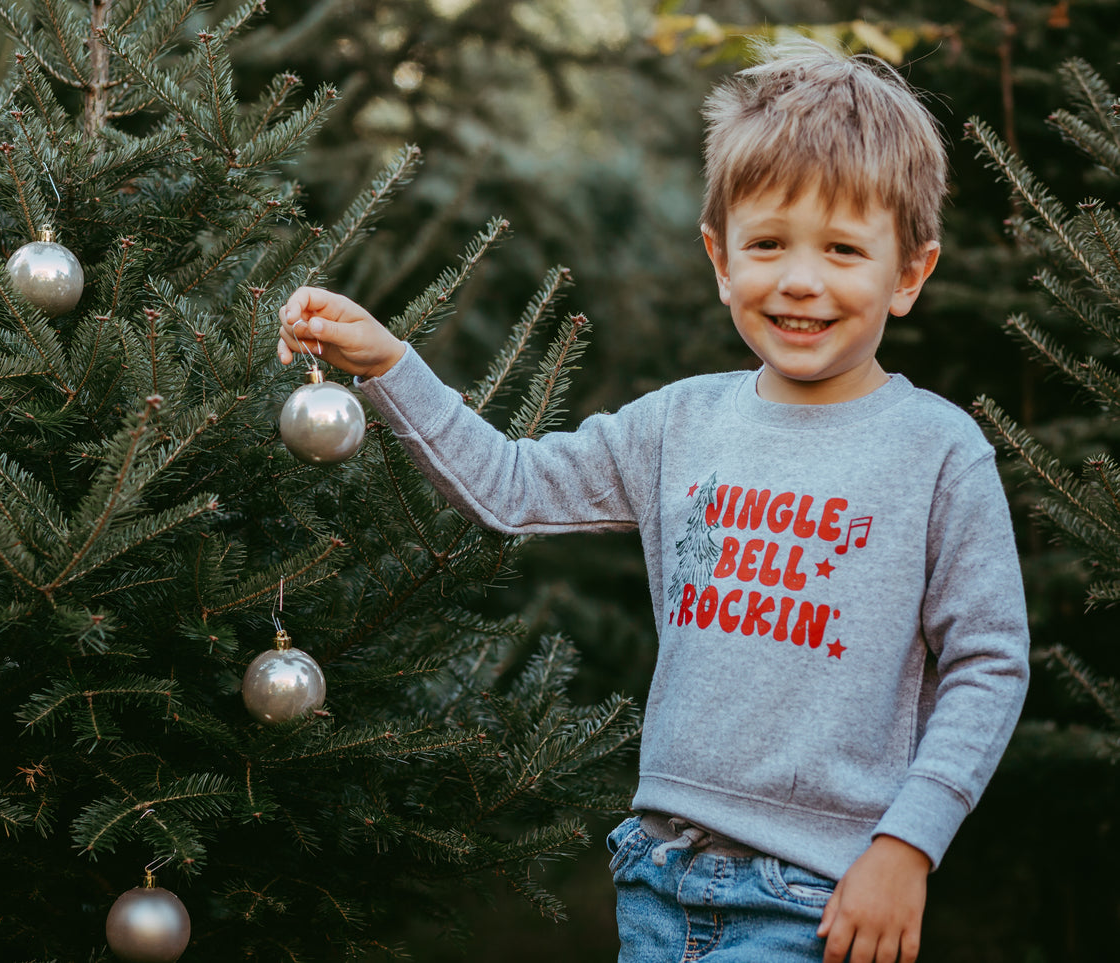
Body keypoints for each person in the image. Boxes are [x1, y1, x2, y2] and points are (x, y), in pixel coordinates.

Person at [275, 39, 1029, 963]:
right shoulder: (678, 426)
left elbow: (989, 662)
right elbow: (511, 488)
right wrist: (392, 364)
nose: (799, 279)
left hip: (818, 898)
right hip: (656, 881)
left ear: (907, 273)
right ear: (719, 258)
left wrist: (905, 844)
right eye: (766, 245)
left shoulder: (937, 450)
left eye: (841, 249)